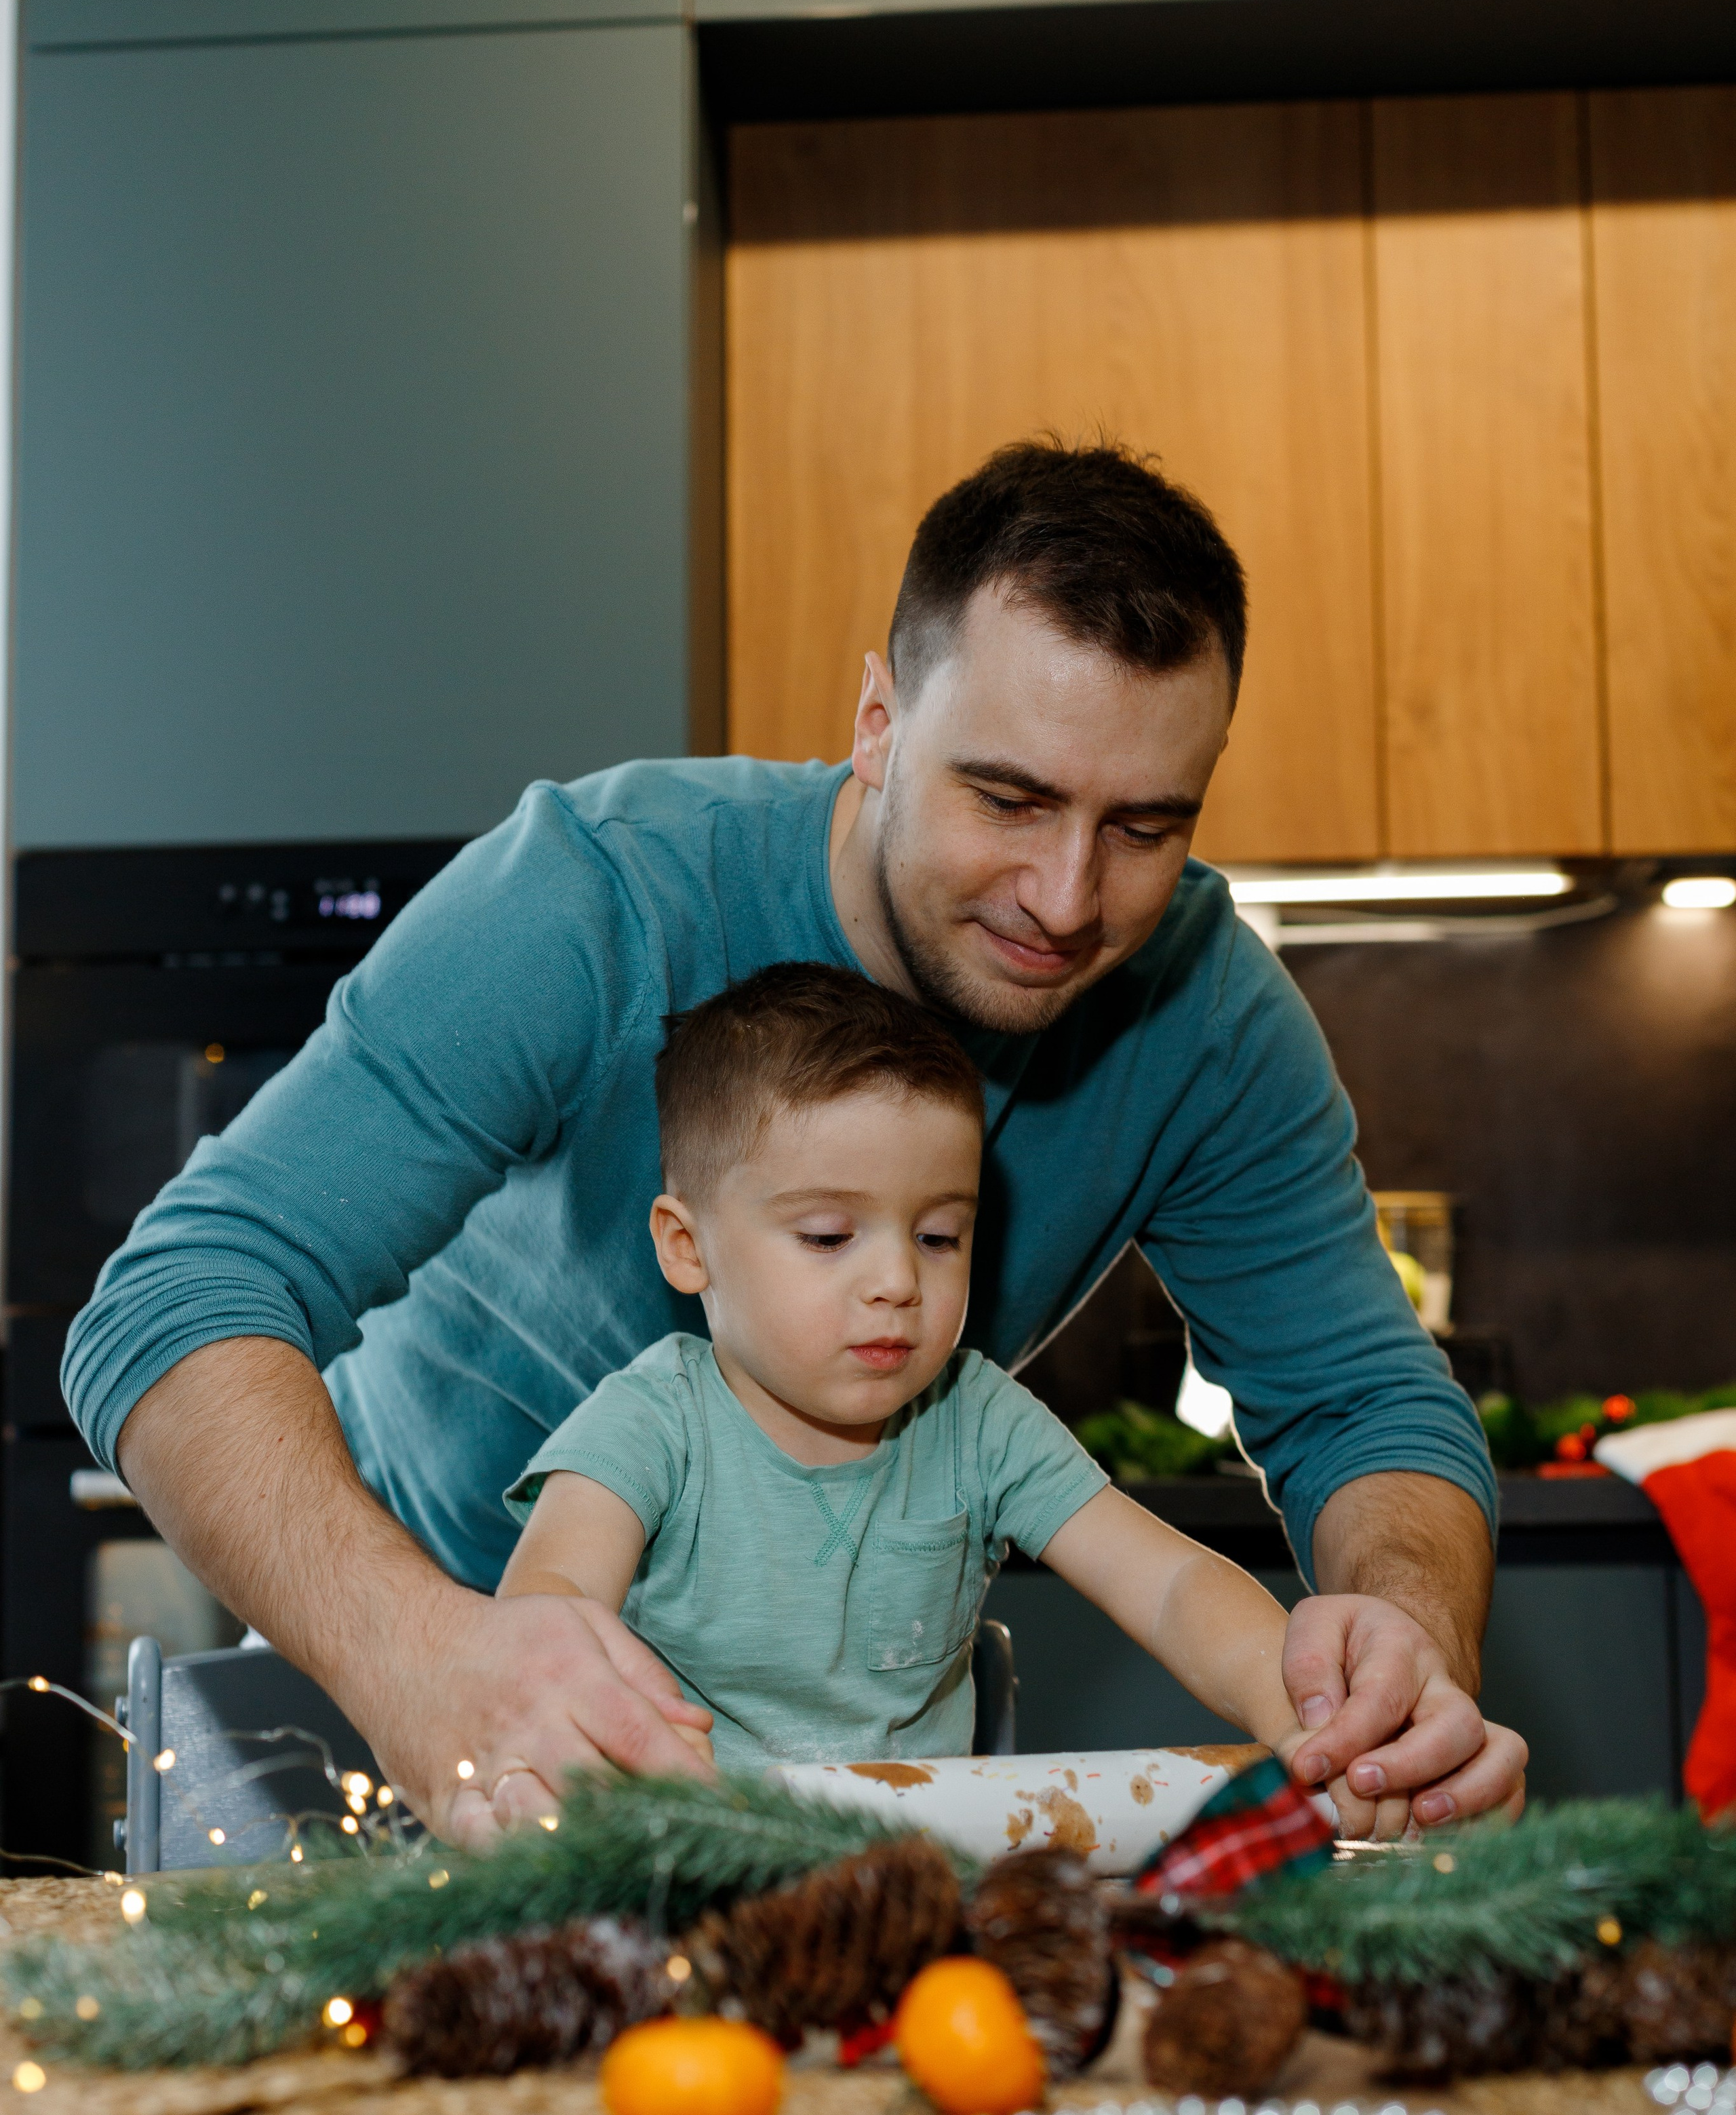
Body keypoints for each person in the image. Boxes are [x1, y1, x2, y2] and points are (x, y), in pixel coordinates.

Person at [66, 439, 1527, 1849]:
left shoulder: (1204, 1019)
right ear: (878, 725)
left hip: (839, 1774)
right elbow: (171, 1307)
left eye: (1144, 827)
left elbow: (1363, 1409)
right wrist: (422, 1660)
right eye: (1006, 799)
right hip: (394, 1690)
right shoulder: (595, 899)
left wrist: (1397, 1654)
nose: (1065, 897)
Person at [498, 964, 1346, 1793]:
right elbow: (552, 1603)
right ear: (687, 1247)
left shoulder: (978, 1419)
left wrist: (1314, 1723)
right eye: (829, 1237)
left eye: (939, 1237)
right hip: (689, 1875)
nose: (898, 1281)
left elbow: (1170, 1588)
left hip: (929, 1880)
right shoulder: (652, 1424)